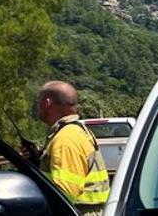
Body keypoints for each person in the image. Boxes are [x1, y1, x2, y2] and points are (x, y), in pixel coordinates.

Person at [30, 81, 111, 215]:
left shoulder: (65, 139)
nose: (38, 106)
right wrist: (38, 161)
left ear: (47, 103)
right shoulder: (76, 131)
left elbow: (64, 196)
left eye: (39, 101)